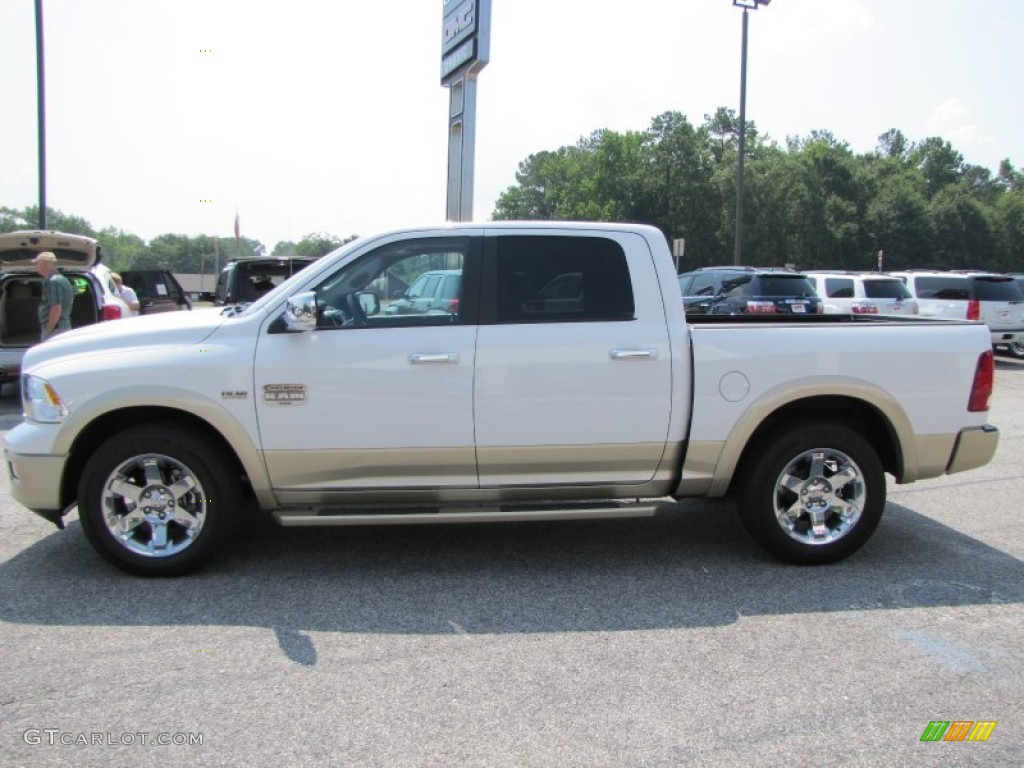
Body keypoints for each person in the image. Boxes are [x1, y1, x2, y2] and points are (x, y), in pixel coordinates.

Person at [33, 251, 74, 341]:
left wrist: (48, 331)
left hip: (56, 329)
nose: (36, 266)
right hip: (61, 327)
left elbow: (56, 309)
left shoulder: (53, 282)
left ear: (46, 264)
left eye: (38, 263)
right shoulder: (62, 279)